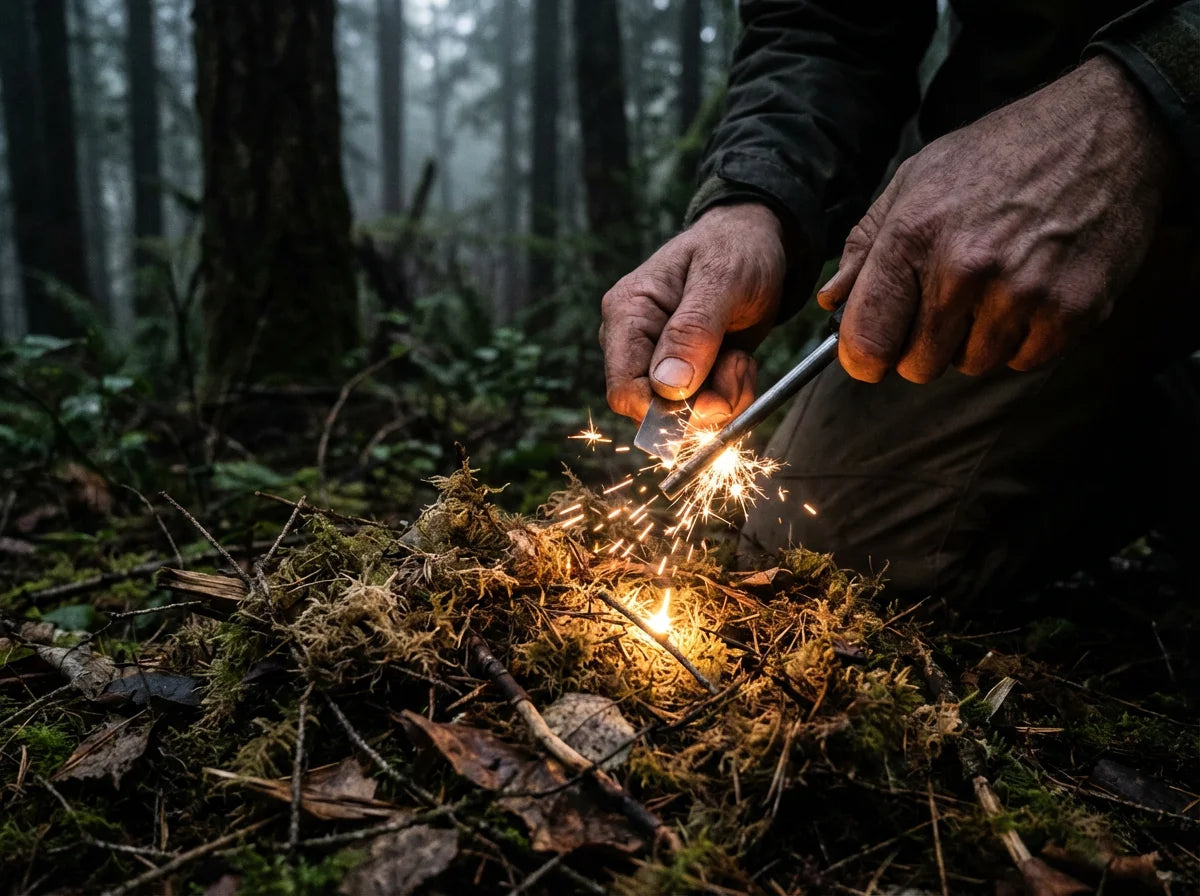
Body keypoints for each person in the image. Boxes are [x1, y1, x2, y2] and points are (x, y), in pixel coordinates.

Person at [600, 1, 1200, 605]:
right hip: (1005, 202)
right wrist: (757, 200)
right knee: (818, 548)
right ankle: (1157, 422)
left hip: (1159, 134)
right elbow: (825, 21)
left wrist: (1143, 99)